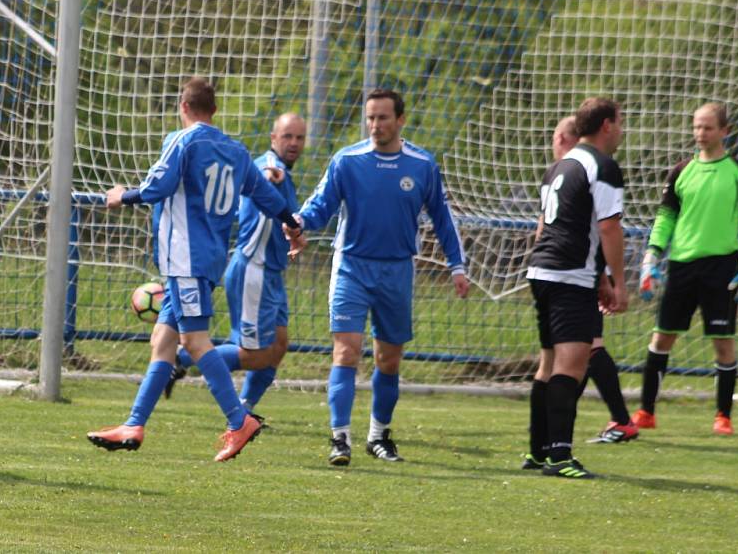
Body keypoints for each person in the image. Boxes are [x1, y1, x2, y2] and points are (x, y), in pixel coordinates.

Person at [86, 78, 303, 461]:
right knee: (163, 343)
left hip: (185, 259)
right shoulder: (235, 150)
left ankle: (239, 420)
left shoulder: (183, 142)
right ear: (214, 111)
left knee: (194, 342)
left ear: (182, 106)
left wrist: (123, 196)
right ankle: (133, 425)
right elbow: (266, 195)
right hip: (206, 260)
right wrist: (291, 221)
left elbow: (157, 187)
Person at [288, 88, 469, 466]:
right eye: (370, 117)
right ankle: (340, 438)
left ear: (400, 120)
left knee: (388, 360)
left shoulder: (421, 165)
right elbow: (321, 205)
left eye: (383, 117)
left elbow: (442, 217)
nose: (375, 125)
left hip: (397, 270)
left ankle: (378, 435)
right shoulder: (347, 161)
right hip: (352, 266)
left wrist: (457, 266)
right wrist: (300, 222)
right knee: (346, 351)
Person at [169, 113, 307, 418]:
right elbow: (264, 175)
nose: (294, 143)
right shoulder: (268, 166)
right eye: (287, 137)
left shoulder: (286, 172)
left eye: (299, 137)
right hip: (252, 270)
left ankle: (246, 408)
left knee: (280, 344)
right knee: (255, 356)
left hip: (272, 273)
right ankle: (182, 356)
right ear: (274, 139)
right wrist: (273, 179)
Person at [633, 103, 738, 435]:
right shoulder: (680, 172)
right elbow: (666, 218)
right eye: (696, 127)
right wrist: (651, 256)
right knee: (662, 338)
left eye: (707, 127)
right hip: (681, 266)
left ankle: (723, 416)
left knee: (723, 343)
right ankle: (646, 411)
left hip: (722, 268)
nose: (700, 134)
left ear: (724, 131)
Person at [522, 117, 637, 473]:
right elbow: (608, 226)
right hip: (569, 275)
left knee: (548, 364)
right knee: (571, 366)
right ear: (606, 125)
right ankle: (560, 456)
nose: (621, 132)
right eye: (620, 124)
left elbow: (547, 227)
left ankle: (538, 451)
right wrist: (618, 281)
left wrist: (598, 276)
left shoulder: (559, 166)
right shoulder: (601, 166)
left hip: (543, 271)